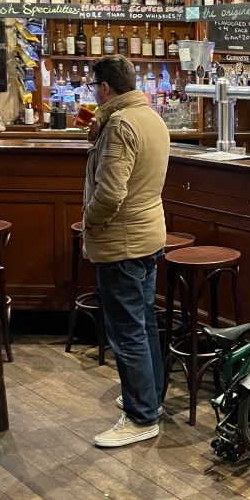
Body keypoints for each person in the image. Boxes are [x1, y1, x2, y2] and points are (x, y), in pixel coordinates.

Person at [82, 55, 170, 446]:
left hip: (122, 240)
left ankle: (140, 417)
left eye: (92, 87)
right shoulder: (150, 117)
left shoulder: (120, 124)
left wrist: (89, 223)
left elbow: (111, 193)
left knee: (127, 332)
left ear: (105, 88)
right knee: (145, 324)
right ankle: (151, 400)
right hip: (148, 234)